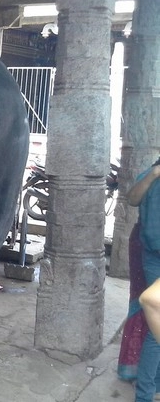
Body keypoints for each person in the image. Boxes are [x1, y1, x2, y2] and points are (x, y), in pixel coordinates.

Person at [127, 157, 160, 402]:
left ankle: (152, 387)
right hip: (153, 257)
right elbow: (133, 198)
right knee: (156, 328)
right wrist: (154, 174)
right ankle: (146, 393)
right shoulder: (151, 174)